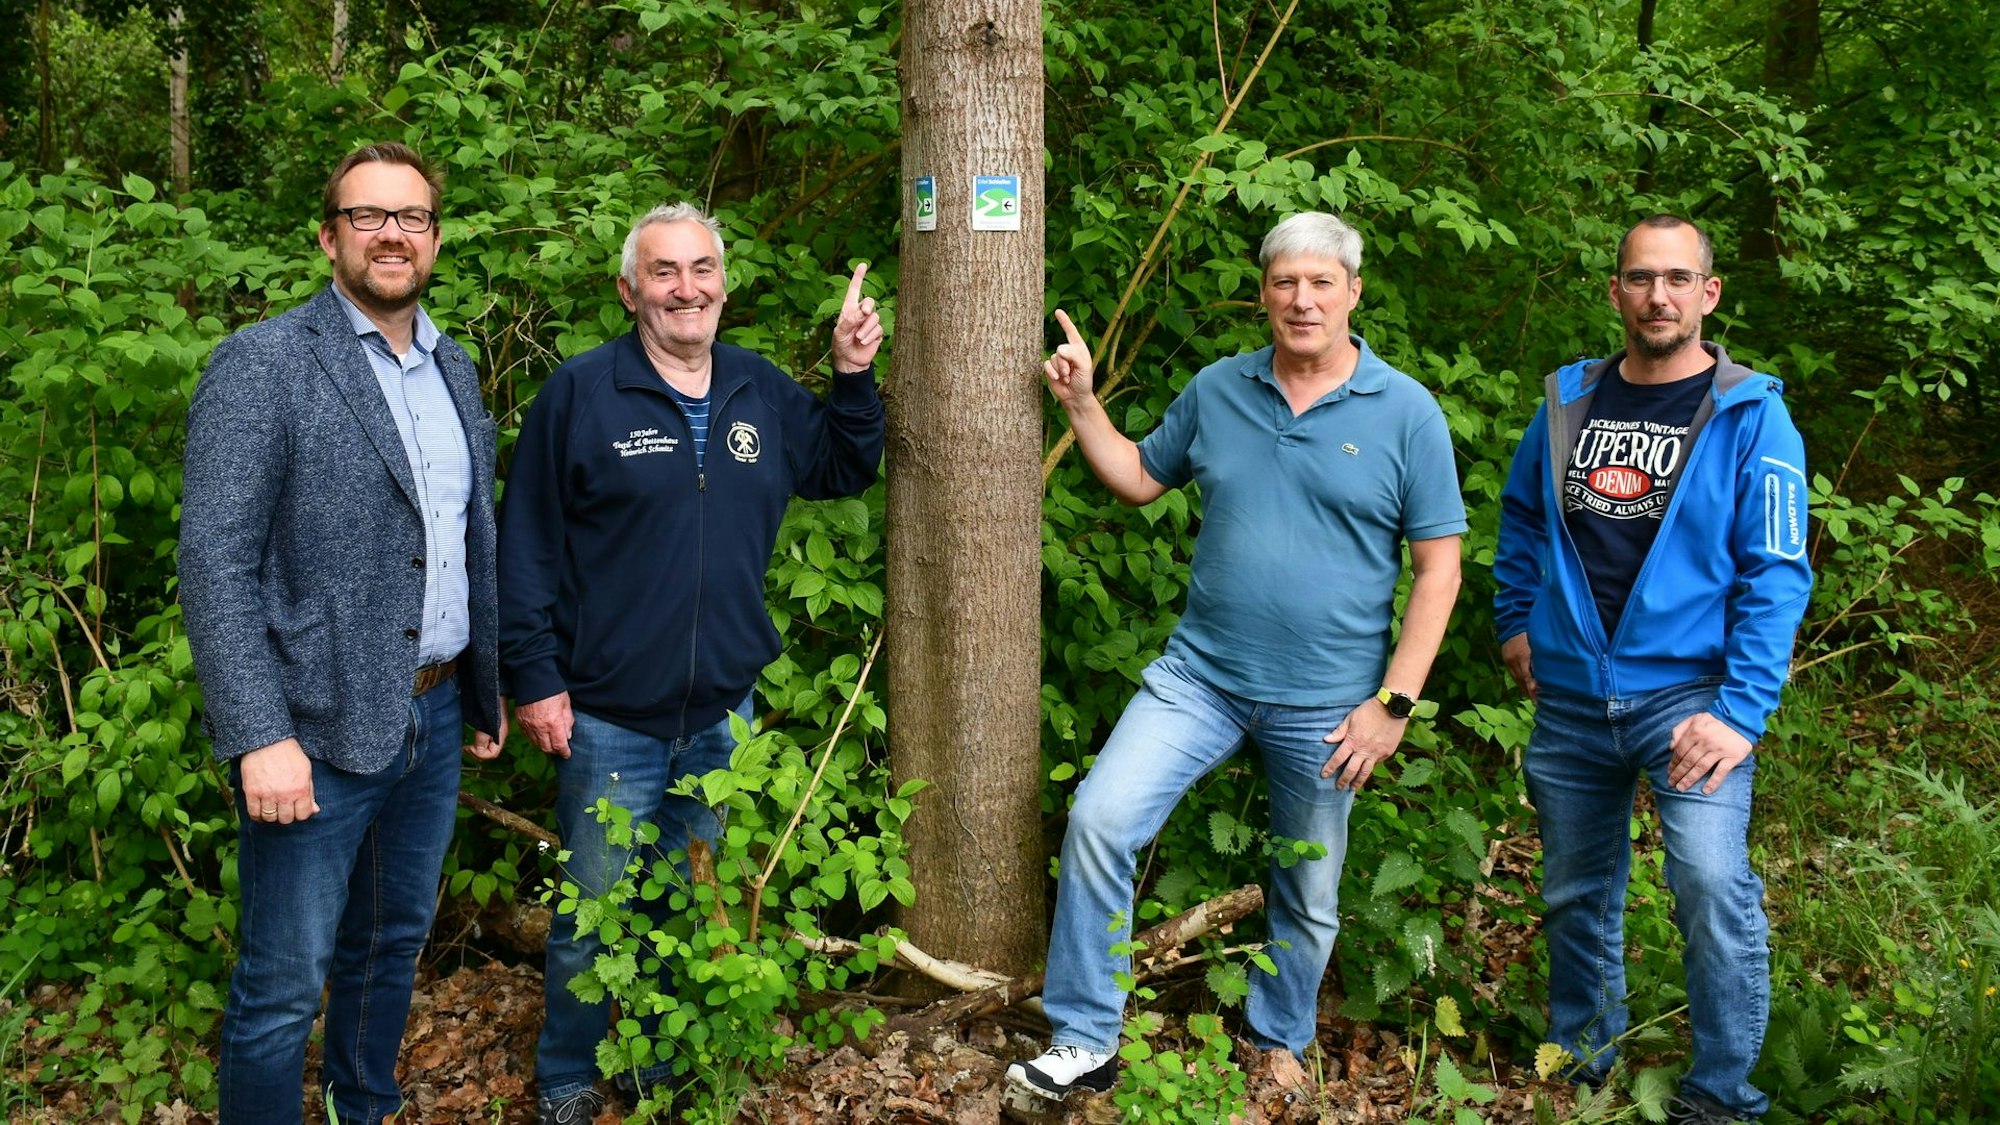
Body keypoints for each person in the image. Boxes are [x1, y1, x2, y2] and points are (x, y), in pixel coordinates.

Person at [1003, 211, 1466, 1112]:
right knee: (1099, 817)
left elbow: (1438, 568)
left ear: (1353, 292)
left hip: (1331, 703)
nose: (1303, 300)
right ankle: (1086, 1038)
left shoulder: (1406, 411)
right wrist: (1081, 404)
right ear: (1263, 293)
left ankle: (1279, 1038)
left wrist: (1394, 704)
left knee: (1309, 885)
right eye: (1286, 282)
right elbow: (1141, 478)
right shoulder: (1220, 388)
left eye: (1322, 282)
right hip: (1200, 680)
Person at [499, 201, 886, 1123]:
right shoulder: (583, 394)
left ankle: (656, 1067)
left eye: (702, 269)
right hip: (604, 715)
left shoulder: (757, 388)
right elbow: (526, 546)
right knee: (590, 912)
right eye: (665, 272)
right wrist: (534, 677)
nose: (687, 288)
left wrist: (851, 374)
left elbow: (840, 468)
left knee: (686, 903)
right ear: (629, 289)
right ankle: (567, 1075)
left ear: (724, 284)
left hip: (722, 716)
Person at [179, 141, 506, 1124]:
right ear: (329, 238)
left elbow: (462, 541)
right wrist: (257, 735)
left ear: (436, 239)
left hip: (435, 714)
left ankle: (360, 1109)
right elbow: (215, 564)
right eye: (368, 216)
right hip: (310, 731)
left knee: (386, 950)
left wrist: (479, 685)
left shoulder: (455, 368)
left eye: (410, 216)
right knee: (282, 989)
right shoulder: (264, 363)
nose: (392, 233)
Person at [1492, 215, 1812, 1125]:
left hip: (1692, 702)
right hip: (1571, 698)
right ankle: (1590, 1070)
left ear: (1709, 294)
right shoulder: (1566, 401)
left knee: (1711, 885)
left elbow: (1777, 573)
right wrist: (1516, 621)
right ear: (1616, 292)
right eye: (1640, 278)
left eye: (1678, 278)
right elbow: (1521, 516)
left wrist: (1742, 712)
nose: (1658, 295)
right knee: (1576, 892)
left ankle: (1719, 1096)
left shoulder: (1752, 412)